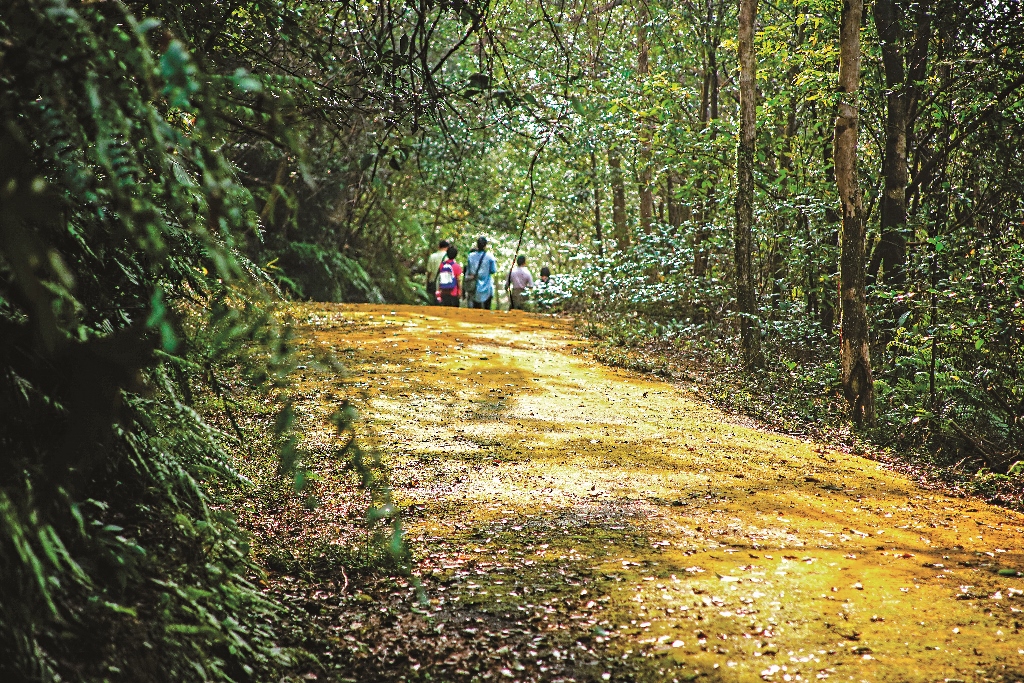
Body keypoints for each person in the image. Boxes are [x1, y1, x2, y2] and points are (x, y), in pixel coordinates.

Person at [463, 236, 497, 310]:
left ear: (477, 245)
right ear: (485, 245)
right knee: (487, 309)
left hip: (474, 286)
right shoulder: (490, 257)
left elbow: (468, 271)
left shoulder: (471, 256)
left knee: (476, 309)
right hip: (487, 287)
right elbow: (493, 270)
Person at [425, 239, 450, 303]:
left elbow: (429, 271)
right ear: (447, 247)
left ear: (439, 246)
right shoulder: (449, 257)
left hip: (433, 283)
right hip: (445, 285)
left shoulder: (432, 256)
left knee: (433, 302)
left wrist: (427, 283)